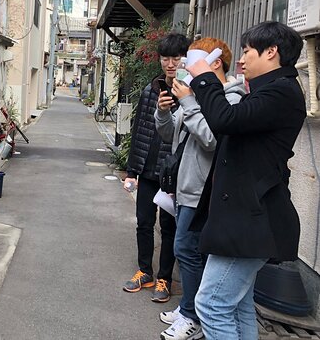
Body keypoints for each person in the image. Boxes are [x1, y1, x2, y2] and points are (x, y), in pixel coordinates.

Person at [186, 21, 306, 339]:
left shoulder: (282, 91)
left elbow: (226, 119)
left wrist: (206, 79)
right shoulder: (272, 89)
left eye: (247, 51)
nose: (241, 59)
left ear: (271, 52)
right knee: (236, 305)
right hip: (246, 219)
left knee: (211, 304)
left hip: (251, 219)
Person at [155, 38, 246, 340]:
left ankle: (192, 317)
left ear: (215, 63)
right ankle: (187, 308)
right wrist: (164, 112)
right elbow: (171, 135)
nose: (183, 68)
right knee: (187, 250)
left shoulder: (230, 99)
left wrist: (191, 104)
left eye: (192, 61)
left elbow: (213, 140)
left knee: (187, 249)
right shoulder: (194, 94)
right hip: (184, 187)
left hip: (203, 191)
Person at [123, 33, 190, 303]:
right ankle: (145, 271)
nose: (170, 64)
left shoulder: (190, 92)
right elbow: (139, 130)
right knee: (144, 223)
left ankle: (164, 277)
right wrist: (131, 170)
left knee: (169, 225)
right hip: (147, 169)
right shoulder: (152, 89)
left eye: (176, 58)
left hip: (172, 174)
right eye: (165, 58)